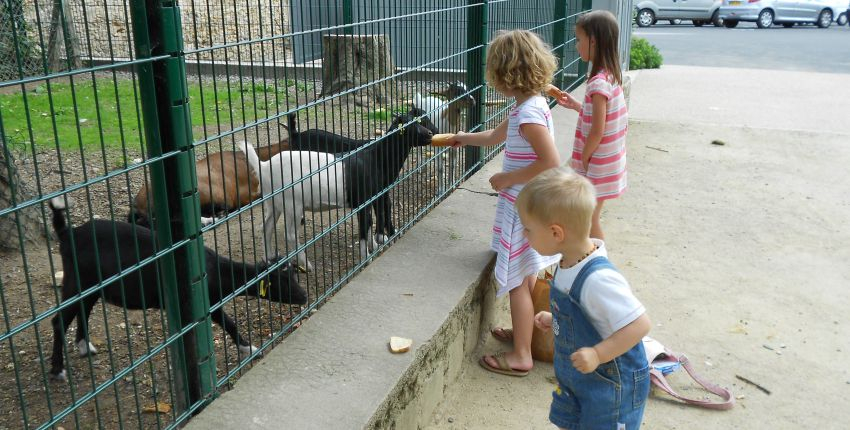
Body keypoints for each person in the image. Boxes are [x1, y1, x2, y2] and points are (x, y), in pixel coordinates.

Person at [451, 29, 561, 376]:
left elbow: (551, 161)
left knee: (515, 282)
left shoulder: (528, 115)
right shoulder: (528, 105)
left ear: (506, 73)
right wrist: (462, 138)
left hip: (523, 206)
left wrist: (507, 178)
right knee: (525, 276)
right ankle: (522, 335)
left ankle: (521, 356)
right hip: (527, 205)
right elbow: (496, 136)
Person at [515, 167, 651, 430]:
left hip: (610, 386)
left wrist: (598, 354)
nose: (524, 235)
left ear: (556, 233)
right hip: (579, 380)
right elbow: (588, 314)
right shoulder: (567, 261)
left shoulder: (598, 279)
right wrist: (559, 319)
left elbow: (640, 324)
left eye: (528, 229)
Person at [548, 10, 628, 240]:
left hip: (597, 164)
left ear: (593, 41)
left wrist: (583, 158)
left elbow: (597, 130)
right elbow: (604, 118)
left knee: (590, 218)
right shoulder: (610, 76)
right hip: (609, 161)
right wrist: (577, 105)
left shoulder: (597, 84)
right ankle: (590, 256)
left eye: (578, 39)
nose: (576, 45)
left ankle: (597, 263)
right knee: (589, 215)